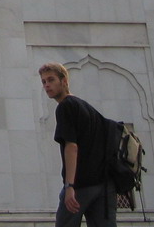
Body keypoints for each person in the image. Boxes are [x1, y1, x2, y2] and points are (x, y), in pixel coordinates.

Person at [39, 62, 116, 227]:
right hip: (104, 185)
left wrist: (69, 186)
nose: (47, 85)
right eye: (44, 82)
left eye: (51, 80)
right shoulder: (88, 108)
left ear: (64, 81)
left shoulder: (65, 107)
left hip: (81, 185)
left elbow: (72, 147)